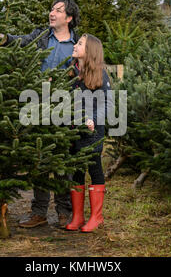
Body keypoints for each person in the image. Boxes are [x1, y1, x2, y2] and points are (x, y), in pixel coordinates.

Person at [0, 0, 80, 229]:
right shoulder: (41, 36)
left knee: (63, 160)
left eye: (58, 10)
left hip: (64, 106)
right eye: (51, 9)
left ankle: (64, 211)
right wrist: (3, 38)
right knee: (41, 158)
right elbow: (19, 41)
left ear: (69, 18)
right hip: (38, 103)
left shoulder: (77, 43)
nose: (52, 13)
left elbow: (85, 73)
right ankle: (39, 212)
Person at [65, 33, 111, 233]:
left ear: (90, 51)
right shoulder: (72, 71)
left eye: (80, 43)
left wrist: (93, 118)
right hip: (73, 129)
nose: (75, 45)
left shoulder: (100, 73)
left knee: (94, 168)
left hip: (92, 131)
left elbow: (107, 103)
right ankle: (77, 216)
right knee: (76, 170)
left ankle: (96, 216)